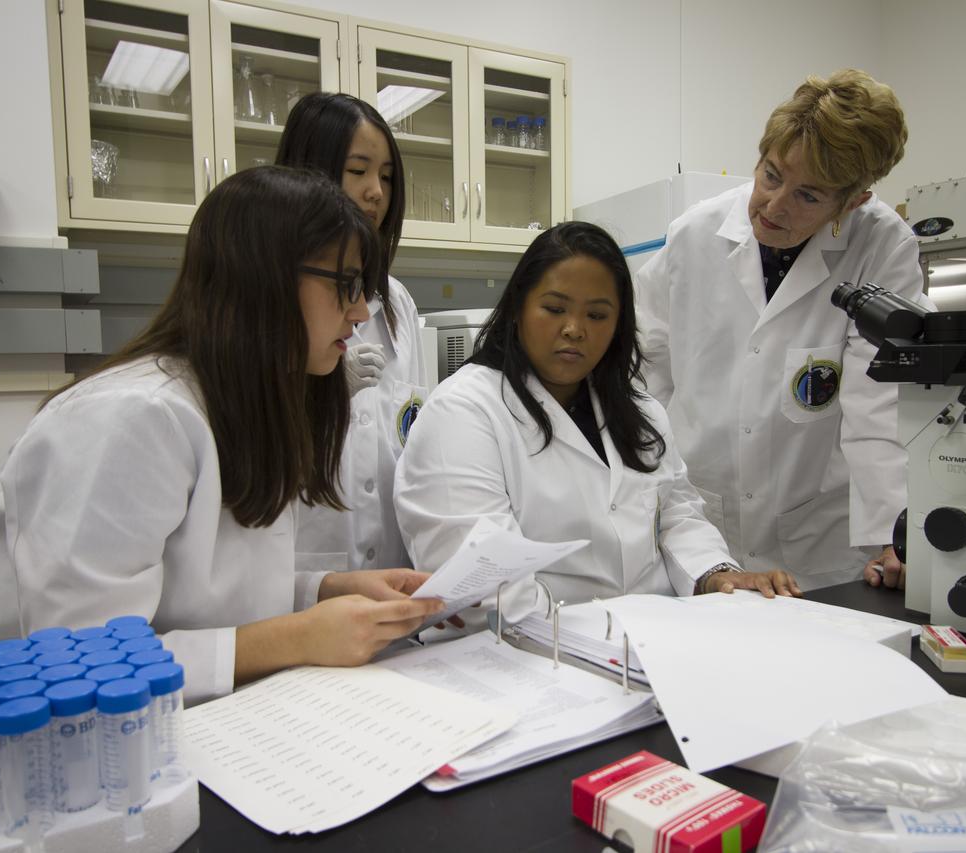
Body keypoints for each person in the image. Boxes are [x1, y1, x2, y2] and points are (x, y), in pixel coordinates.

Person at [0, 167, 445, 776]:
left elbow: (198, 596)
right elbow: (86, 664)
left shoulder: (246, 403)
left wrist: (321, 592)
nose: (358, 313)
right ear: (263, 281)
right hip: (33, 765)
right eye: (346, 285)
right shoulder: (127, 419)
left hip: (195, 730)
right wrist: (301, 635)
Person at [396, 221, 798, 623]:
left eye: (597, 314)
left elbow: (676, 515)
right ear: (518, 307)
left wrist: (716, 575)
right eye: (554, 309)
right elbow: (484, 586)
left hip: (649, 642)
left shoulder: (639, 409)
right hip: (523, 656)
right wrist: (613, 639)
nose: (574, 329)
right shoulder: (464, 412)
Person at [634, 69, 924, 591]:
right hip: (702, 524)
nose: (773, 205)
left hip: (816, 540)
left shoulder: (882, 246)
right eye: (771, 175)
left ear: (852, 201)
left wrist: (893, 532)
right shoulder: (696, 234)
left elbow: (878, 401)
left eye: (808, 197)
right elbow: (644, 374)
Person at [277, 92, 430, 574]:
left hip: (392, 561)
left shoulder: (397, 302)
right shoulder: (273, 291)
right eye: (357, 170)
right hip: (305, 562)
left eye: (385, 176)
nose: (376, 192)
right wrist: (315, 387)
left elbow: (414, 428)